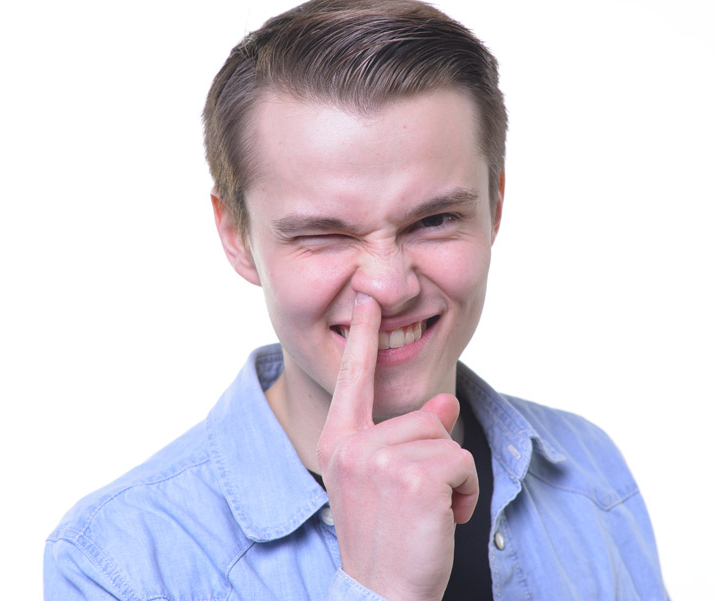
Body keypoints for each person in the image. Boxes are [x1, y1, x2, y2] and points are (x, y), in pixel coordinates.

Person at [45, 1, 668, 599]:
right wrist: (381, 590)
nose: (389, 287)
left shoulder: (589, 473)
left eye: (435, 220)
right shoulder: (116, 564)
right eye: (324, 235)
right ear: (236, 236)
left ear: (495, 207)